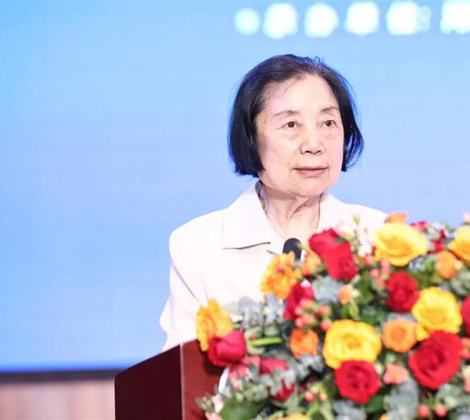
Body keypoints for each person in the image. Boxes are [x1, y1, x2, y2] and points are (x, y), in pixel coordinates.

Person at [159, 54, 386, 351]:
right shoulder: (198, 247)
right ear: (251, 138)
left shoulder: (378, 236)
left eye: (328, 122)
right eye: (291, 124)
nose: (314, 144)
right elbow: (181, 372)